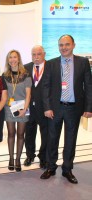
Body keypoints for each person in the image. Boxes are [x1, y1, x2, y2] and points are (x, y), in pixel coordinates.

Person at [40, 34, 92, 184]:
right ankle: (50, 167)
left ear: (73, 45)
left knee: (71, 140)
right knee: (52, 139)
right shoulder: (51, 63)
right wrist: (47, 107)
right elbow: (46, 87)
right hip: (55, 109)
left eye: (67, 44)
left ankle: (67, 169)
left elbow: (88, 85)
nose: (64, 47)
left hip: (74, 108)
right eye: (61, 45)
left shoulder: (83, 62)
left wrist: (89, 107)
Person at [3, 50, 31, 172]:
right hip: (9, 107)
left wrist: (25, 109)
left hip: (23, 107)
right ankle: (10, 158)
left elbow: (29, 94)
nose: (13, 60)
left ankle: (18, 159)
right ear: (8, 60)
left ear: (18, 59)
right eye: (10, 57)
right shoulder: (4, 76)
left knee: (20, 134)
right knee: (10, 133)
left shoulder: (26, 74)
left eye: (15, 57)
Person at [24, 45, 48, 169]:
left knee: (45, 133)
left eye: (39, 54)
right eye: (34, 54)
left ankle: (43, 157)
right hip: (29, 107)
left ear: (44, 54)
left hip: (45, 108)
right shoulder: (26, 68)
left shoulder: (50, 67)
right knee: (29, 132)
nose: (36, 57)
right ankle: (30, 155)